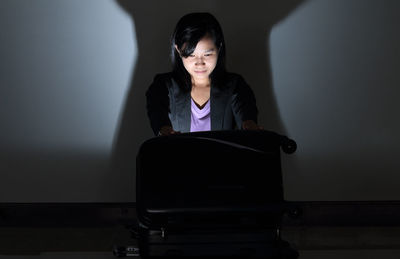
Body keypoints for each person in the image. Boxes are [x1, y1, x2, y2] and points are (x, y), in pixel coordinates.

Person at [146, 12, 262, 136]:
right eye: (191, 55)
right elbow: (157, 113)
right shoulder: (163, 85)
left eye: (207, 54)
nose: (199, 63)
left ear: (219, 48)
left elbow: (245, 111)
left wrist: (249, 125)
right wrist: (164, 131)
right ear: (178, 50)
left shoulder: (234, 85)